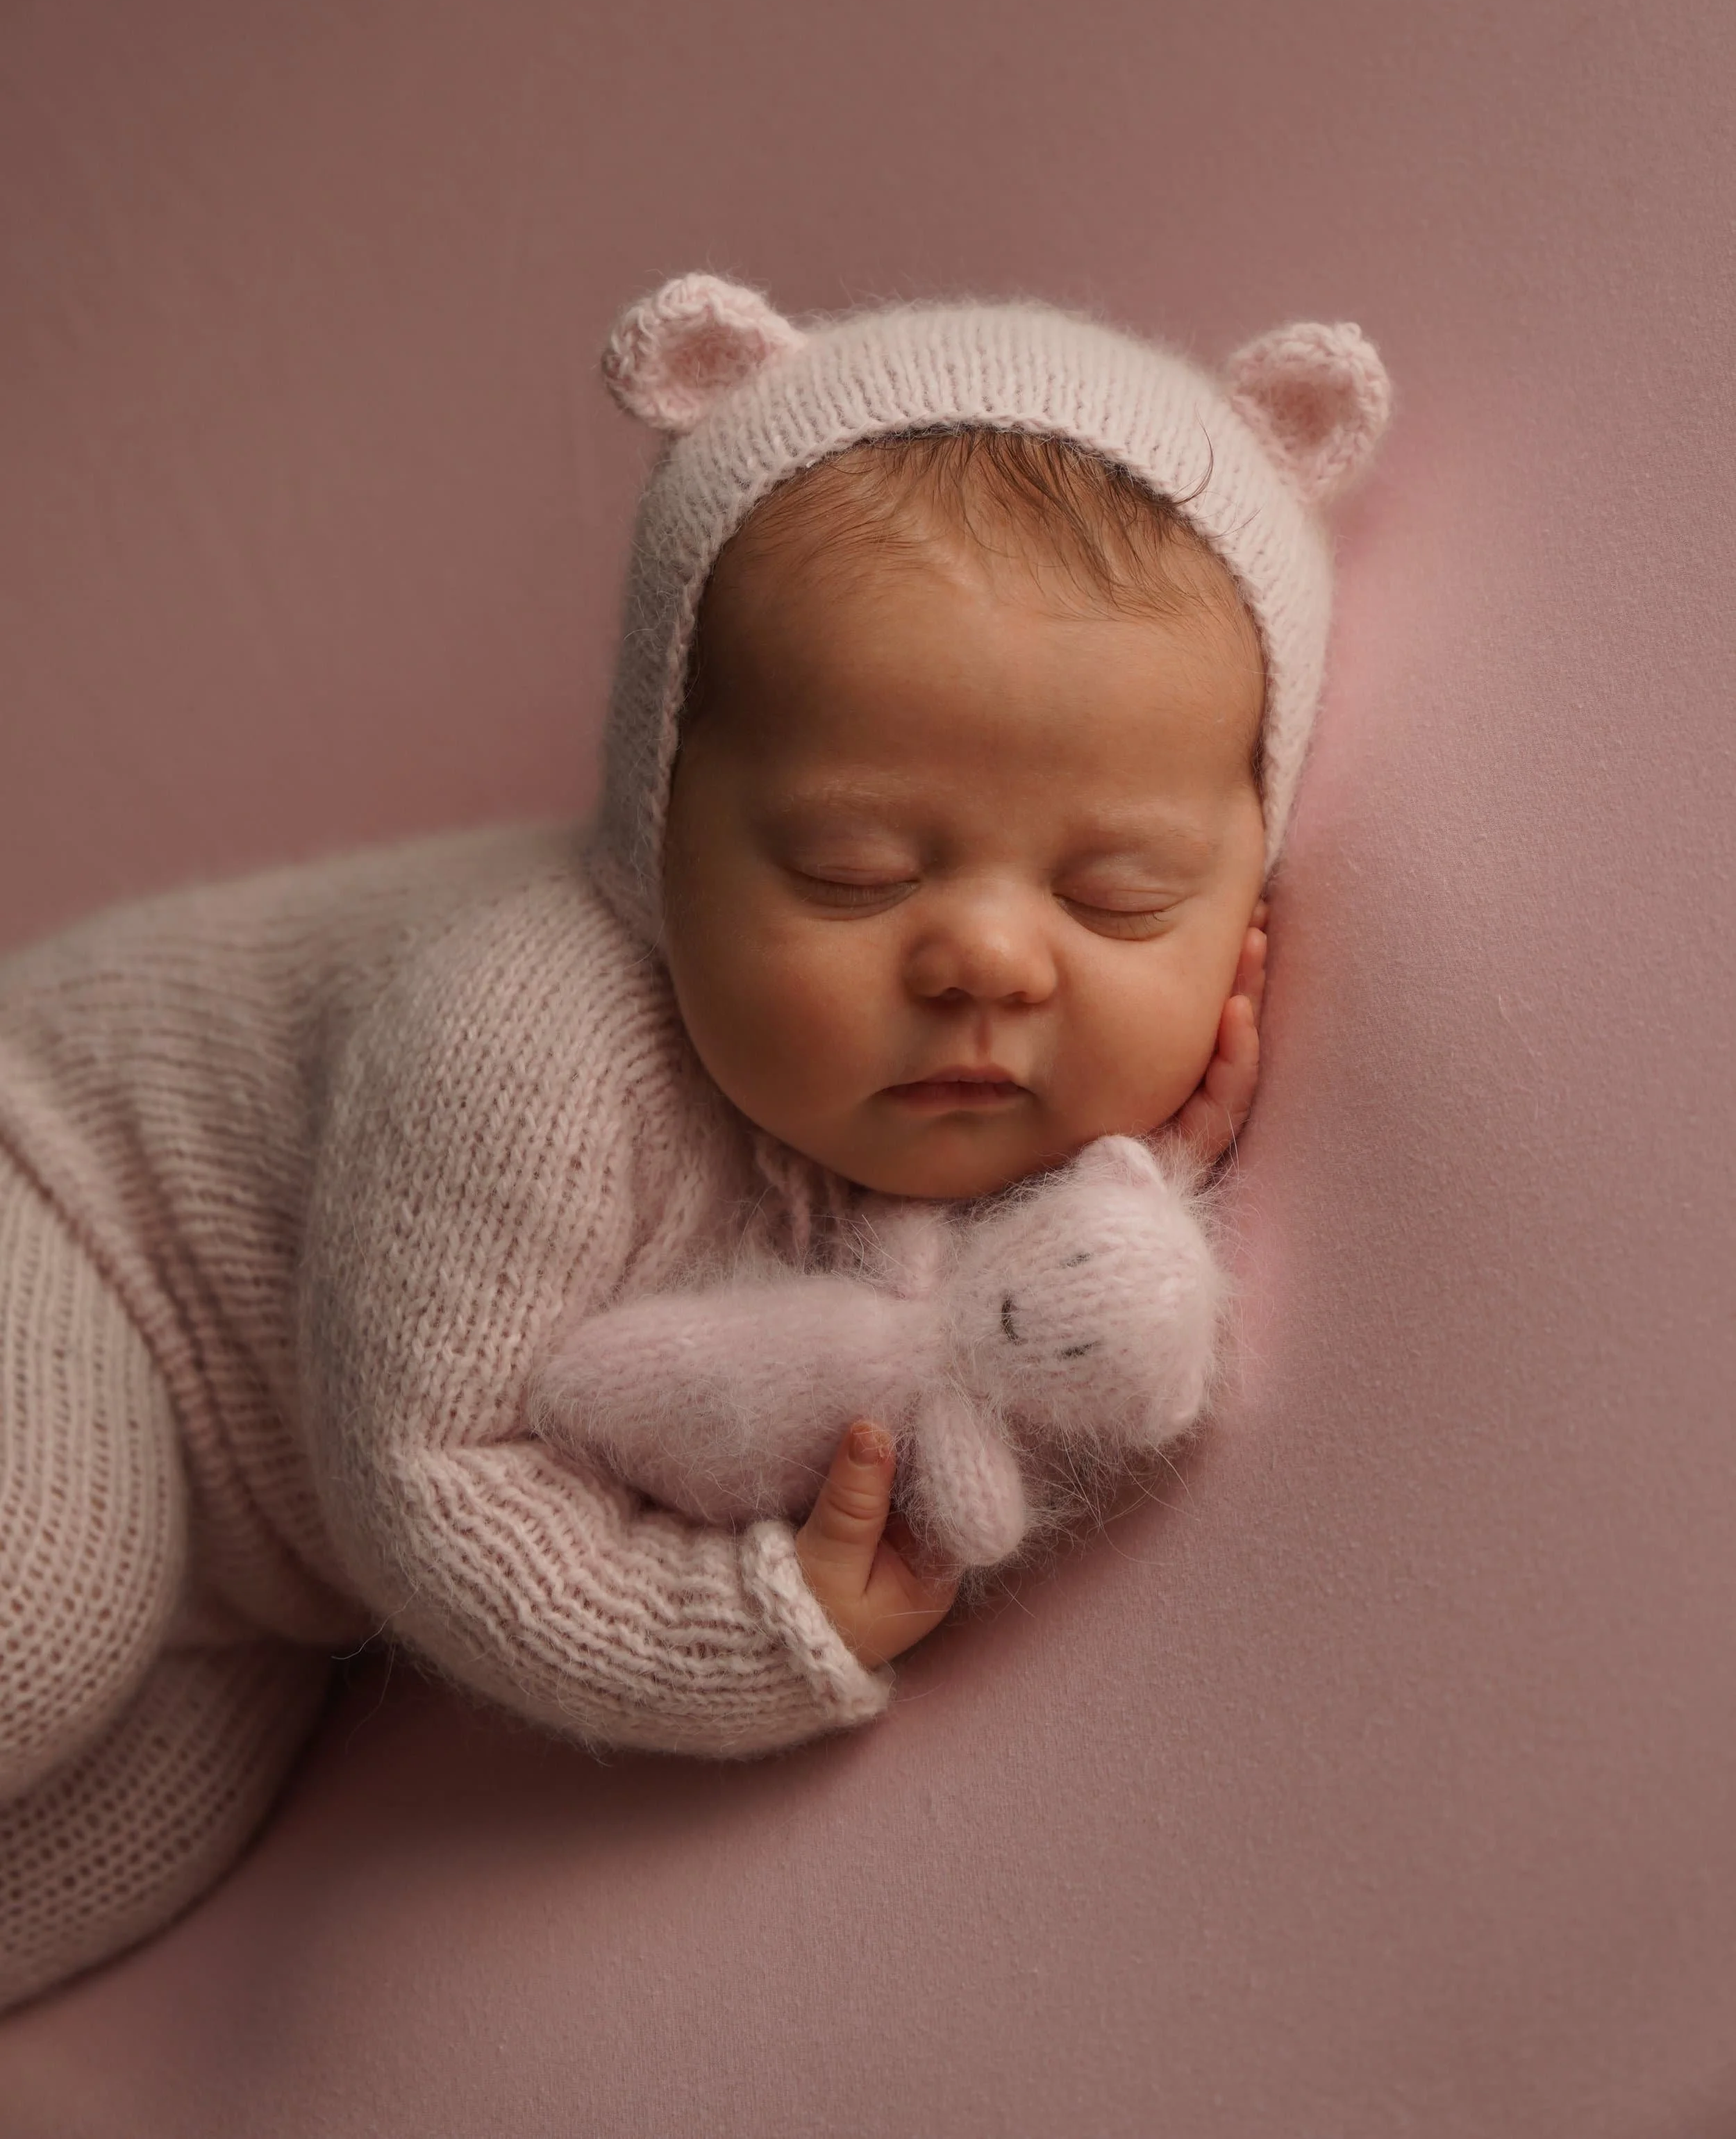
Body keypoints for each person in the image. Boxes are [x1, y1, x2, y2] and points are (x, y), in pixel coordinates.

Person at [0, 274, 1388, 2008]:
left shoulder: (961, 1088)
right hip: (59, 1208)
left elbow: (981, 1316)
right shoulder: (528, 1036)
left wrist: (1135, 1178)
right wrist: (745, 1636)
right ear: (657, 823)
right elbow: (436, 1477)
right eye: (853, 875)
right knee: (41, 1612)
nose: (985, 960)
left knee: (123, 1856)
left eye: (1116, 897)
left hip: (264, 1582)